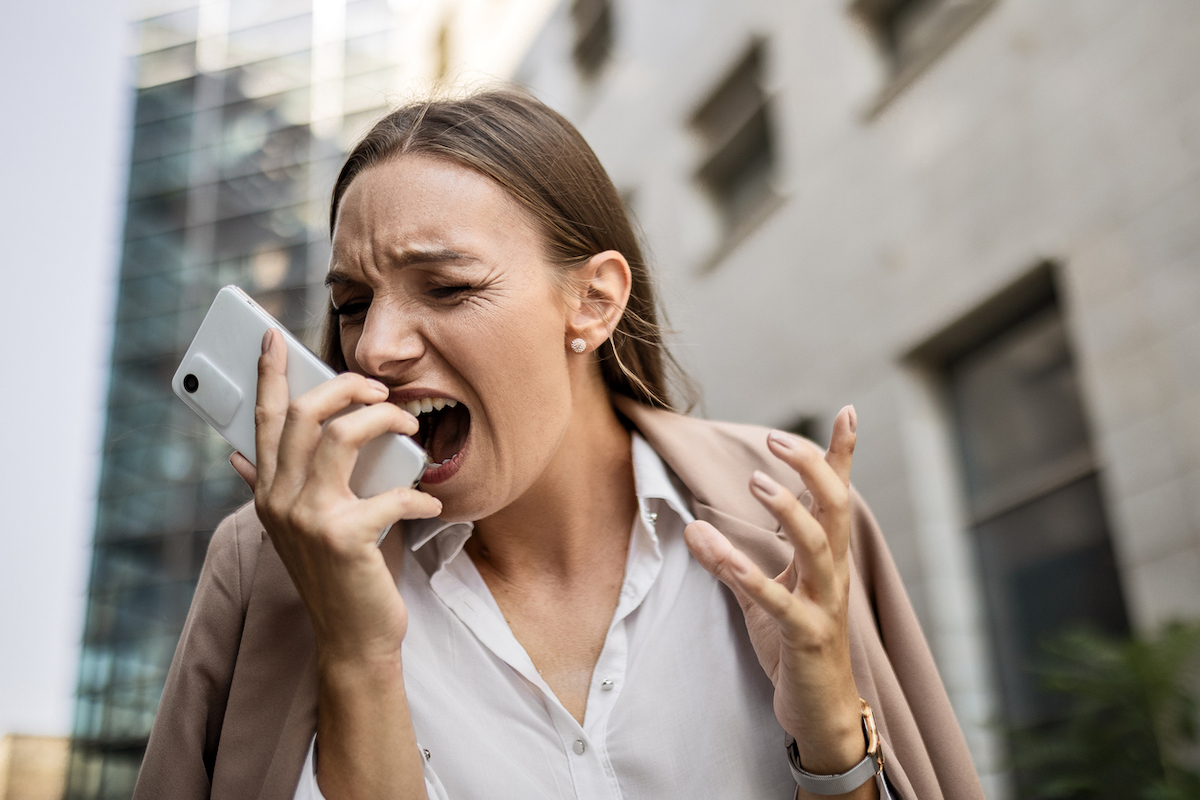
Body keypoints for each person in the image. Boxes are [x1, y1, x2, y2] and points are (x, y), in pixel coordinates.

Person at [134, 89, 985, 800]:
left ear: (594, 301)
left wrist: (834, 747)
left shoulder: (790, 515)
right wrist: (356, 654)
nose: (376, 348)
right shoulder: (264, 566)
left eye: (447, 286)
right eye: (354, 304)